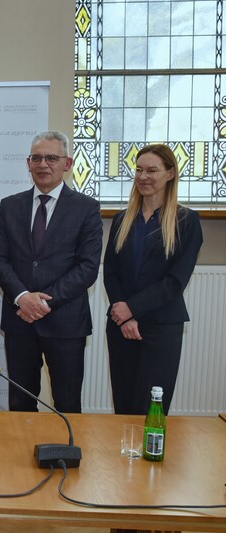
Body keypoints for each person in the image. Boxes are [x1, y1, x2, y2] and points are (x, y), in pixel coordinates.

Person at [0, 131, 102, 414]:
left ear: (67, 164)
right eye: (37, 158)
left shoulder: (86, 208)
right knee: (20, 403)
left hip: (65, 323)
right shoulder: (10, 205)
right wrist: (22, 297)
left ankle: (65, 446)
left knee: (67, 403)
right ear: (28, 163)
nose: (43, 164)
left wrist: (41, 302)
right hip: (19, 321)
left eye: (52, 158)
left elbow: (88, 267)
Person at [104, 144, 203, 415]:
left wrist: (131, 308)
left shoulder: (187, 221)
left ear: (170, 173)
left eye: (152, 170)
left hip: (162, 327)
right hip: (121, 327)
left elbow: (175, 281)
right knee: (123, 407)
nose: (143, 176)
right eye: (138, 170)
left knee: (150, 410)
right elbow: (111, 272)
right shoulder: (122, 219)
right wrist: (124, 316)